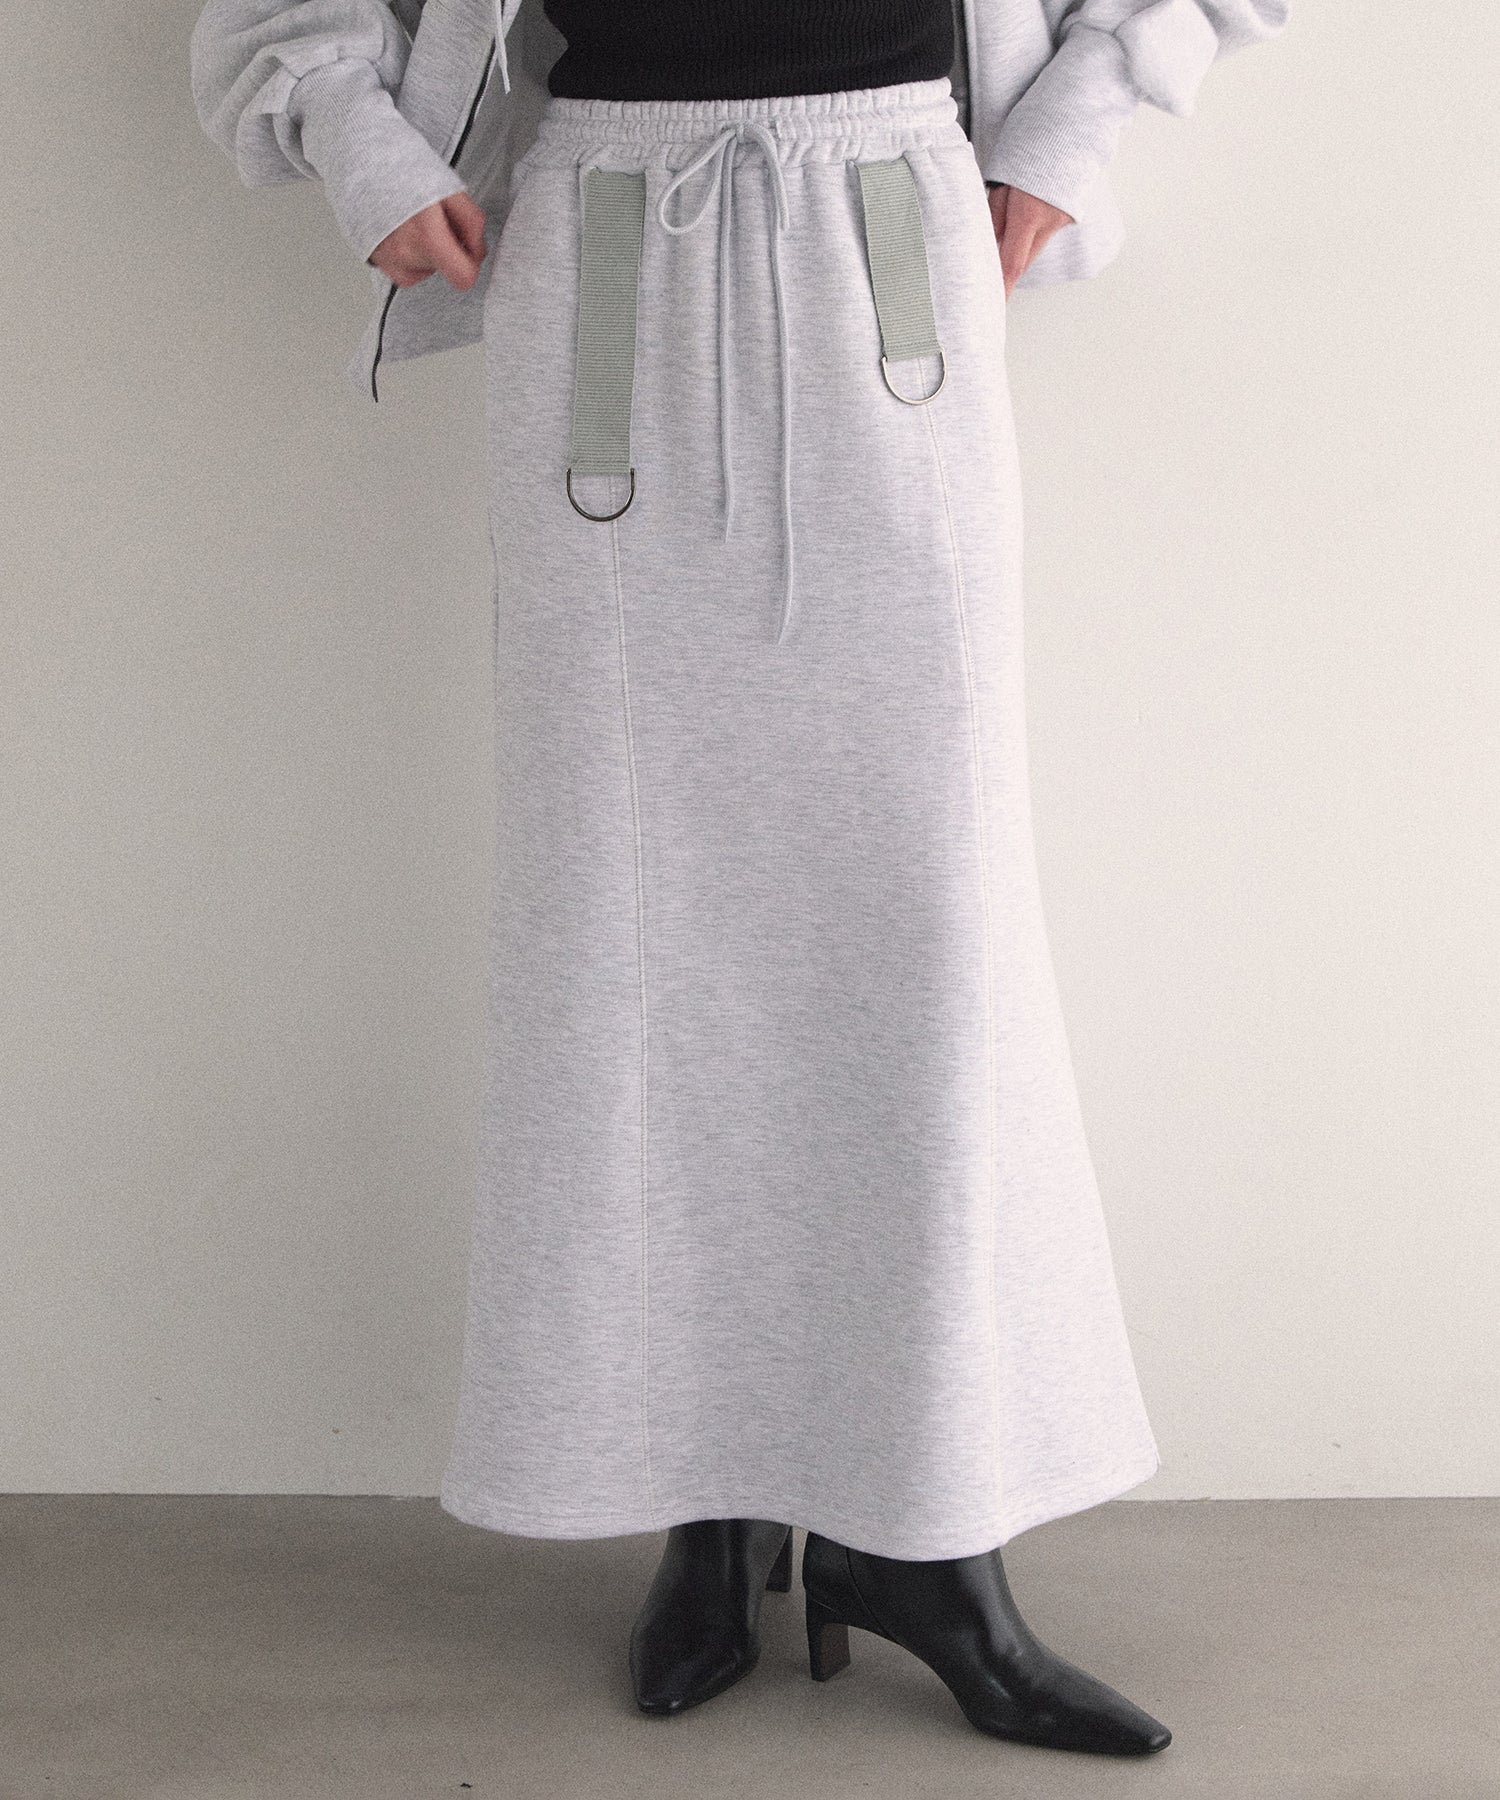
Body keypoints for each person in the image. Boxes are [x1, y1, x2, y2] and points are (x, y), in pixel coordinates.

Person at [190, 0, 1288, 1758]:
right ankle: (703, 1503)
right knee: (629, 935)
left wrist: (1073, 120)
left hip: (896, 228)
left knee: (927, 934)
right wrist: (358, 137)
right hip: (603, 255)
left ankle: (927, 1541)